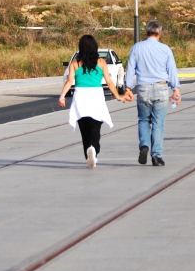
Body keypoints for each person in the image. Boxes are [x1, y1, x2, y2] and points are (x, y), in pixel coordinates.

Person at [58, 35, 127, 169]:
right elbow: (109, 81)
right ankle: (94, 149)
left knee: (84, 129)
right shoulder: (101, 62)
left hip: (80, 97)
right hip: (96, 97)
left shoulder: (75, 63)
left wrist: (62, 96)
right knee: (96, 127)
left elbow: (69, 81)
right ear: (94, 47)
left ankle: (88, 151)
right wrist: (118, 96)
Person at [122, 20, 181, 167]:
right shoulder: (166, 49)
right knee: (158, 123)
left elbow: (130, 69)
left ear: (146, 32)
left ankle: (144, 146)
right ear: (159, 33)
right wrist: (176, 90)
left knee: (143, 120)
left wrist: (128, 88)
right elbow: (172, 71)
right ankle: (156, 155)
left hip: (143, 88)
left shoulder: (137, 48)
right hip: (161, 88)